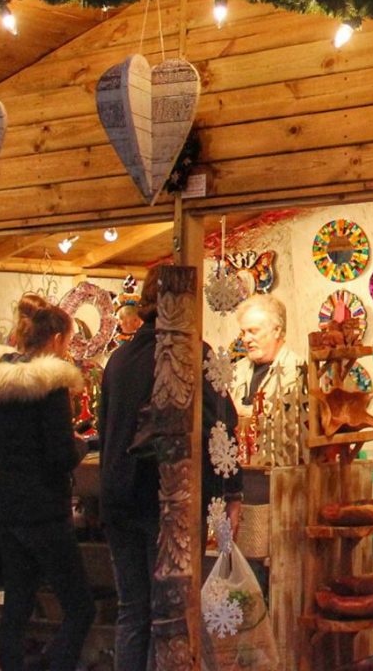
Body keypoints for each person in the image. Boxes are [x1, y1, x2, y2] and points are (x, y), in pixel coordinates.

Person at [98, 272, 245, 671]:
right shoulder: (191, 353)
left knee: (133, 610)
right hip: (168, 500)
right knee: (173, 615)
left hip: (119, 499)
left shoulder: (119, 359)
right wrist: (232, 492)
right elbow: (221, 428)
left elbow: (103, 429)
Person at [0, 303, 92, 671]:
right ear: (56, 339)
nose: (68, 349)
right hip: (45, 514)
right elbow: (60, 456)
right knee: (80, 608)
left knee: (18, 605)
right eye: (68, 341)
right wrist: (81, 445)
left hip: (6, 511)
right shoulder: (50, 388)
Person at [234, 295, 304, 413]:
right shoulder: (237, 369)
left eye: (253, 331)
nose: (245, 339)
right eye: (243, 332)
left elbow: (277, 416)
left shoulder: (295, 367)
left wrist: (236, 413)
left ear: (277, 331)